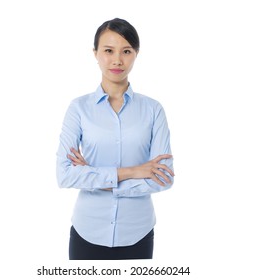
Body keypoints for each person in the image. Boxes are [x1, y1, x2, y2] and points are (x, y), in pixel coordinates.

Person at [56, 18, 174, 260]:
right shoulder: (78, 109)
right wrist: (133, 171)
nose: (117, 59)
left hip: (137, 233)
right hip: (88, 231)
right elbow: (65, 174)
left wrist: (92, 175)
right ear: (96, 53)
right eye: (108, 50)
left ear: (136, 54)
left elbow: (163, 179)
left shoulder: (153, 110)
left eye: (126, 51)